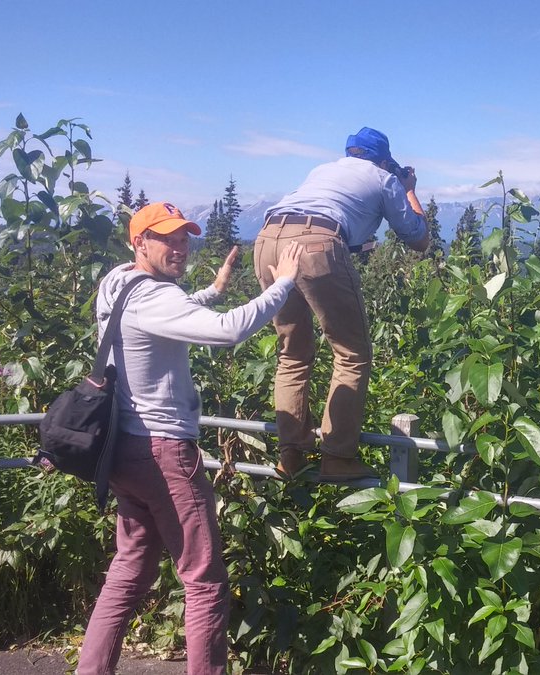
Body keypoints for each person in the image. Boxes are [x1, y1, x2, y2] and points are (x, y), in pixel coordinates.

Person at [77, 201, 304, 675]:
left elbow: (160, 316)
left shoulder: (117, 282)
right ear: (139, 241)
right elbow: (227, 333)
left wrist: (214, 290)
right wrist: (283, 283)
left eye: (184, 237)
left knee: (128, 572)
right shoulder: (156, 297)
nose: (179, 247)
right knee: (203, 581)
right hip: (163, 454)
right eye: (167, 238)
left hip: (124, 452)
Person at [255, 127, 430, 482]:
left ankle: (292, 454)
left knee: (292, 352)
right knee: (352, 353)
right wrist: (409, 189)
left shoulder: (322, 171)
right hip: (317, 241)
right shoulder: (384, 178)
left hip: (266, 240)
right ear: (383, 160)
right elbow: (419, 239)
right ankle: (336, 455)